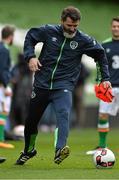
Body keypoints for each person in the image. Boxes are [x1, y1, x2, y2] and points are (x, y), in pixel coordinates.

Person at [15, 6, 111, 165]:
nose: (72, 29)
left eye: (75, 26)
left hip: (64, 85)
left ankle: (60, 149)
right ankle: (29, 150)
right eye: (69, 25)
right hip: (42, 84)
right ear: (61, 22)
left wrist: (105, 78)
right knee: (31, 121)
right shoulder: (48, 31)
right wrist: (30, 57)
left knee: (63, 113)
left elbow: (100, 54)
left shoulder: (83, 40)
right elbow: (30, 36)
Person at [86, 16, 119, 155]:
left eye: (118, 26)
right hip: (109, 87)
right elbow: (100, 64)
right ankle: (102, 146)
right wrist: (99, 81)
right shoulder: (105, 45)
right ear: (111, 27)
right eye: (114, 26)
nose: (116, 28)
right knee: (103, 115)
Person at [0, 25, 15, 148]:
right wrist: (6, 86)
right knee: (3, 111)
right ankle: (1, 139)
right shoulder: (4, 50)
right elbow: (3, 70)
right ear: (11, 37)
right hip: (1, 86)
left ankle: (2, 139)